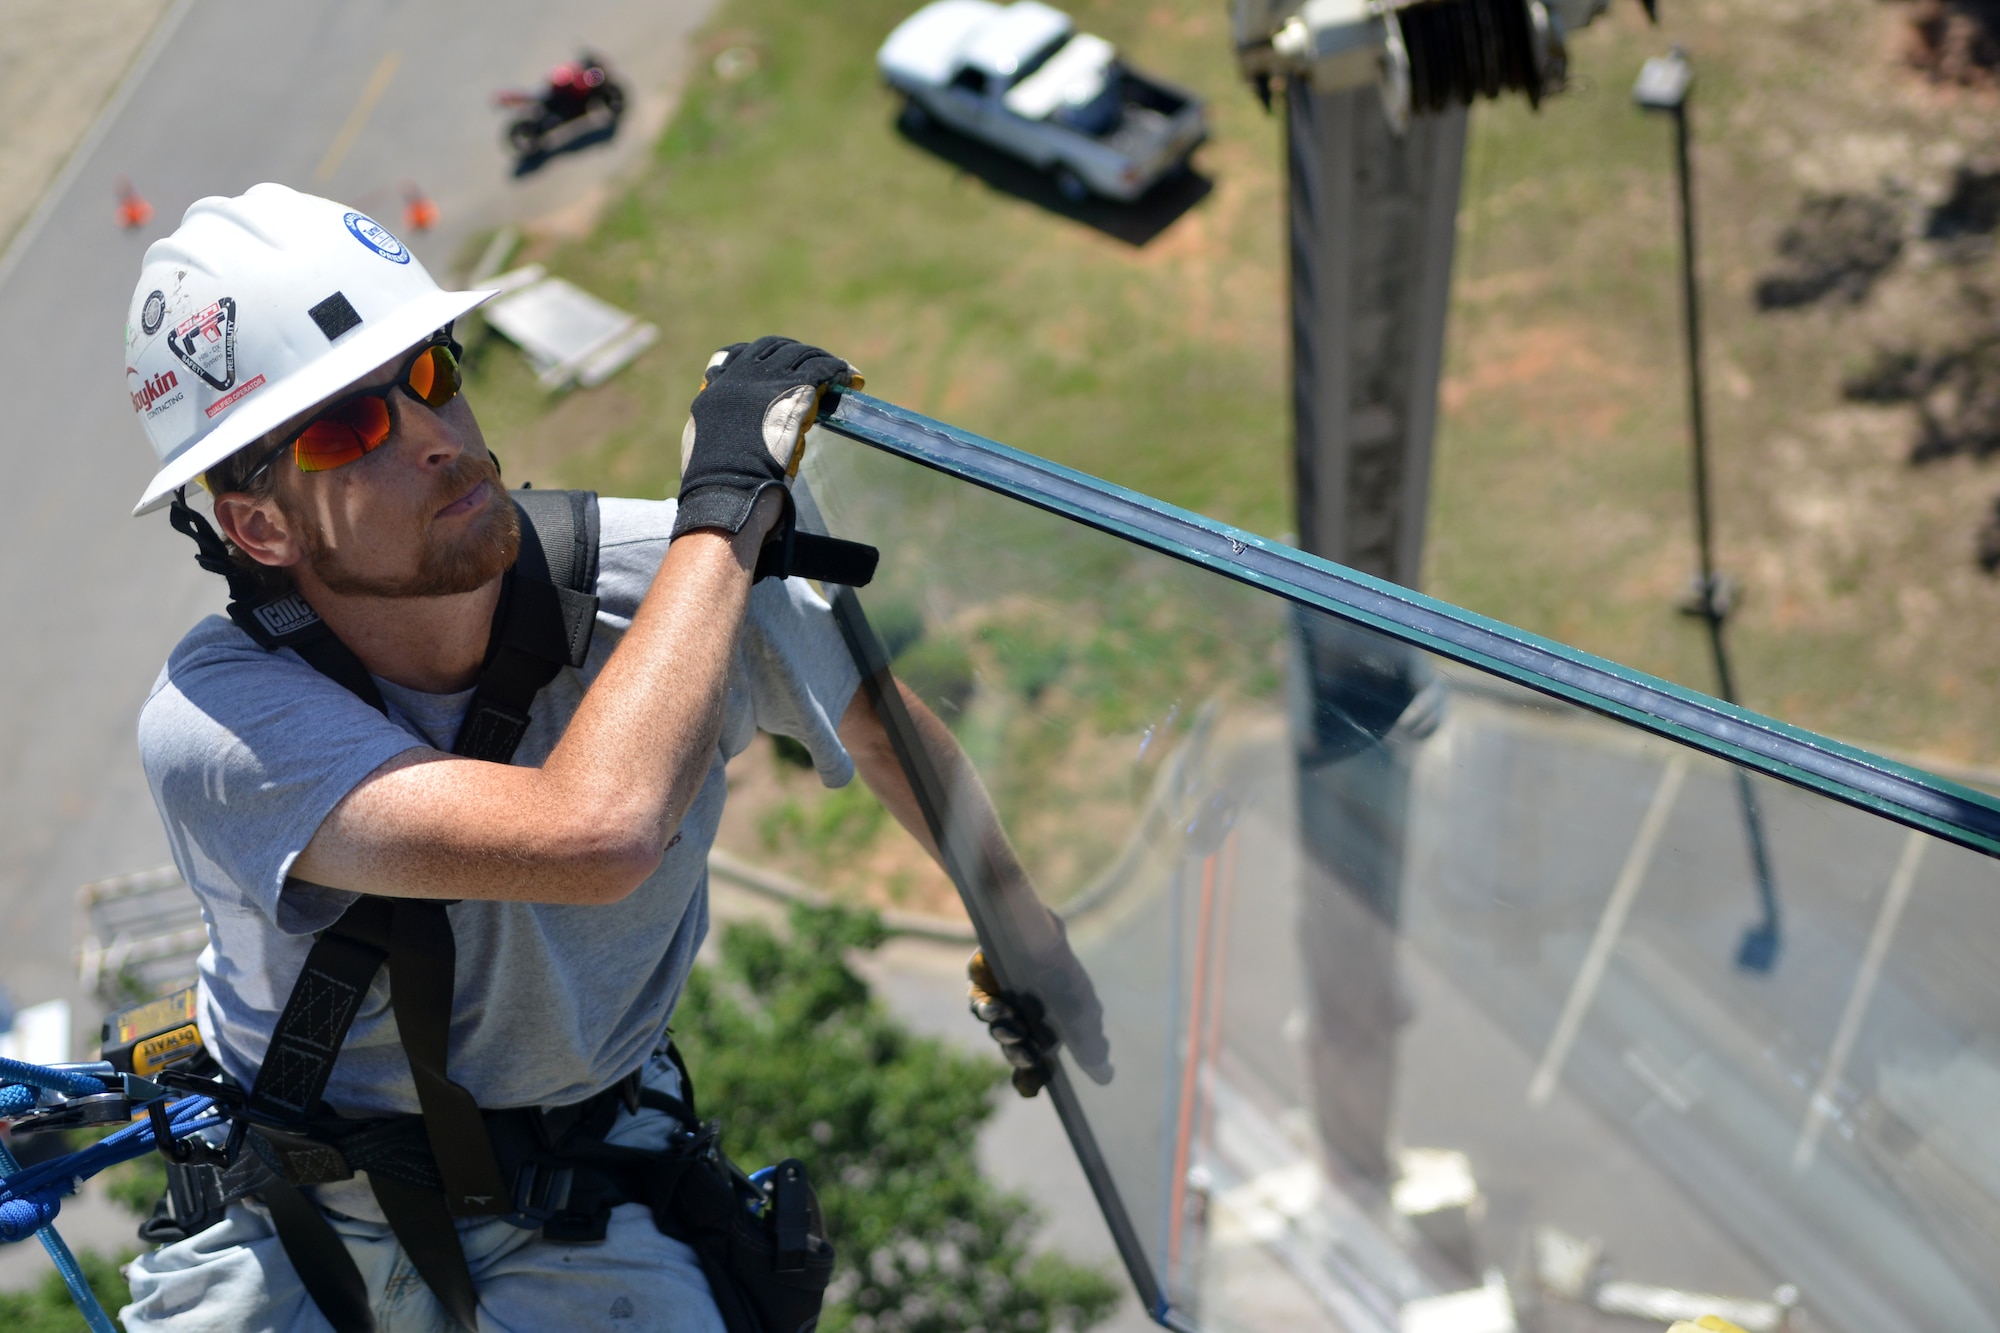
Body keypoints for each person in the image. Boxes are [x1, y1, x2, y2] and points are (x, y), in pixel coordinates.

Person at [117, 184, 1103, 1332]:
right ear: (260, 529)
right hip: (304, 1206)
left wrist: (1027, 941)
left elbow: (880, 722)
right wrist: (725, 513)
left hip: (584, 1177)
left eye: (430, 372)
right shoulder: (218, 720)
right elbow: (593, 833)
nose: (438, 437)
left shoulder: (664, 582)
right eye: (349, 428)